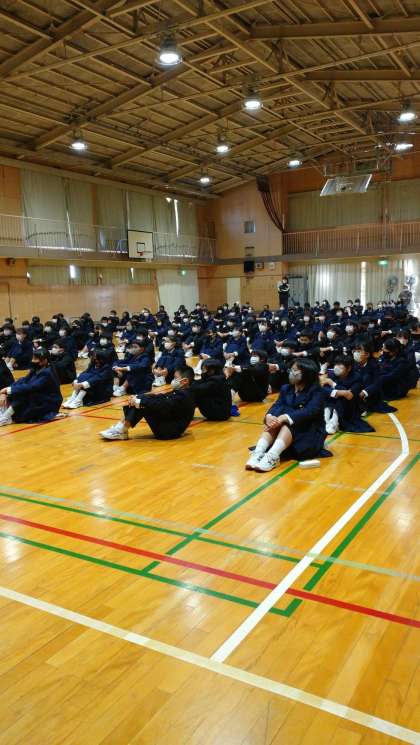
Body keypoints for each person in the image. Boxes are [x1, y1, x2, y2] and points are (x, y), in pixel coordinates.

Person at [246, 359, 327, 472]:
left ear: (307, 374)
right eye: (291, 370)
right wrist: (270, 416)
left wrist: (285, 417)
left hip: (309, 431)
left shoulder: (317, 391)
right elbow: (277, 405)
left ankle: (272, 456)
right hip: (286, 431)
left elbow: (310, 411)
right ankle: (258, 453)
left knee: (286, 423)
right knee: (274, 422)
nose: (291, 373)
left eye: (295, 370)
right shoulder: (286, 388)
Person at [100, 365, 195, 441]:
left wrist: (140, 401)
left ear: (185, 381)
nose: (173, 380)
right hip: (170, 424)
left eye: (175, 378)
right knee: (141, 400)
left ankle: (121, 430)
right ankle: (121, 427)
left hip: (169, 432)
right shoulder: (182, 391)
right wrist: (139, 397)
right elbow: (161, 397)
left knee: (143, 405)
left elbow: (163, 405)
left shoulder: (184, 395)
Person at [0, 348, 62, 426]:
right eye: (33, 358)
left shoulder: (47, 373)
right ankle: (4, 412)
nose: (32, 360)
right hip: (40, 397)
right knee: (17, 389)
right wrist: (6, 390)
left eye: (35, 359)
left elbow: (32, 386)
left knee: (24, 393)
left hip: (49, 402)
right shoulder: (35, 369)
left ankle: (6, 417)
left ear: (44, 361)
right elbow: (23, 380)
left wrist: (9, 390)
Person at [322, 355, 374, 434]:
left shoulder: (357, 378)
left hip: (352, 405)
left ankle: (334, 422)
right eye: (336, 364)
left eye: (340, 365)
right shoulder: (332, 374)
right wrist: (340, 392)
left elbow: (350, 396)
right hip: (335, 399)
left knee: (342, 398)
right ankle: (325, 420)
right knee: (326, 395)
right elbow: (323, 388)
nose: (336, 367)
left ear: (349, 368)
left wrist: (332, 384)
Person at [352, 340, 396, 414]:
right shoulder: (353, 365)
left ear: (367, 355)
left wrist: (364, 392)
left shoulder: (374, 366)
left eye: (359, 351)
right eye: (355, 351)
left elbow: (377, 384)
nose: (356, 353)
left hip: (371, 394)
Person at [226, 348, 269, 413]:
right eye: (252, 356)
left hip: (258, 396)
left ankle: (230, 395)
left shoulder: (265, 366)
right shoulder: (249, 366)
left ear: (262, 359)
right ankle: (228, 393)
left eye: (255, 356)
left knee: (242, 372)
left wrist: (239, 368)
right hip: (245, 396)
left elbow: (255, 370)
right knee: (238, 371)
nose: (252, 357)